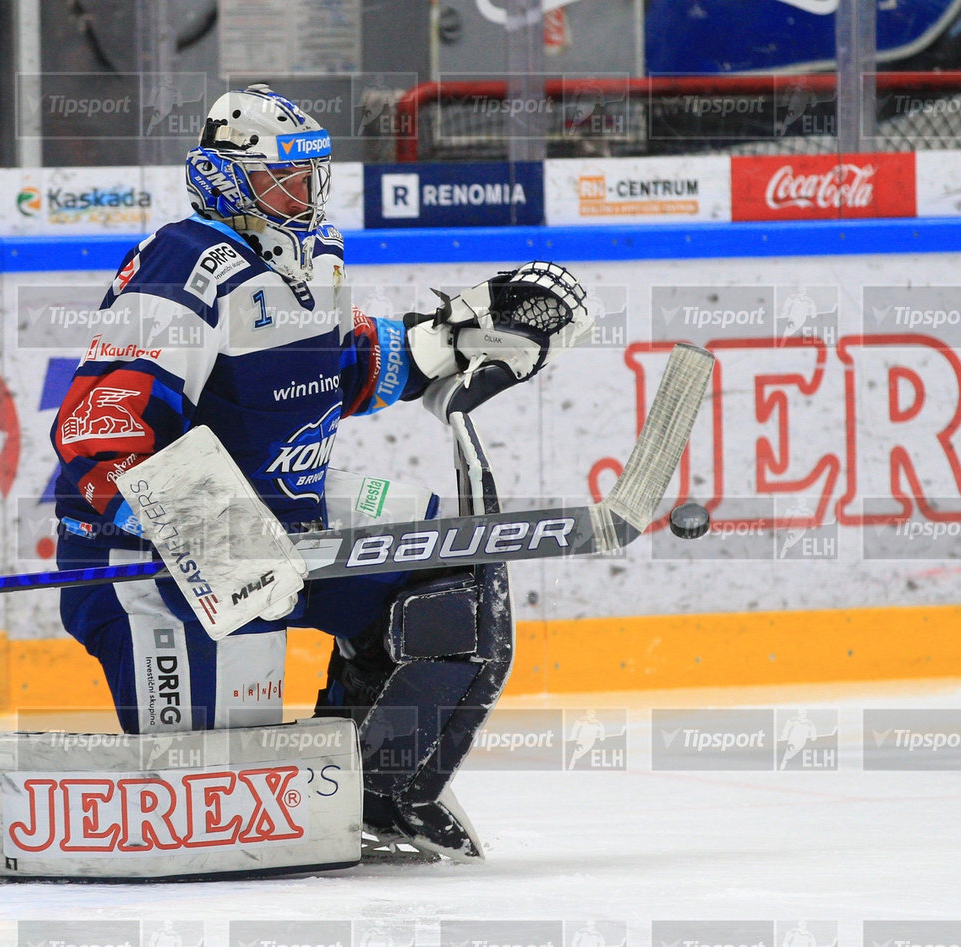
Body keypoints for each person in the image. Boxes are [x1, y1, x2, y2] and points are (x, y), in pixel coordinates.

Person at [51, 84, 590, 859]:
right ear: (224, 179)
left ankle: (376, 791)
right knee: (207, 807)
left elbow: (342, 370)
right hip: (149, 566)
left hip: (284, 530)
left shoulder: (318, 258)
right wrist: (213, 534)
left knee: (452, 571)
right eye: (281, 180)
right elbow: (97, 426)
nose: (302, 198)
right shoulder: (185, 265)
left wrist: (456, 339)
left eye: (310, 178)